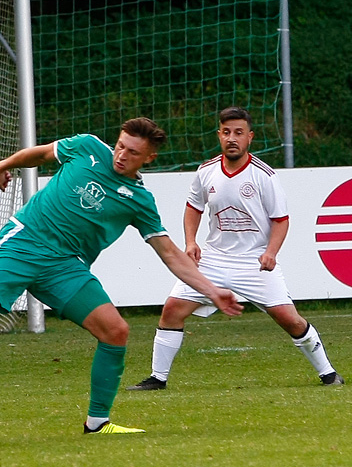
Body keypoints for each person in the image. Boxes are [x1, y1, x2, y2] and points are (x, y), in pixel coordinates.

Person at [0, 118, 243, 434]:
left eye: (132, 152)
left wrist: (211, 291)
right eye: (121, 145)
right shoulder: (87, 147)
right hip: (23, 243)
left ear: (149, 158)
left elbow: (170, 254)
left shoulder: (139, 199)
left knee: (116, 331)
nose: (122, 154)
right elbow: (42, 153)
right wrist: (4, 164)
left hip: (66, 265)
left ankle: (98, 423)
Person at [128, 107, 343, 391]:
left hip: (254, 263)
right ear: (219, 135)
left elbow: (281, 221)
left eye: (239, 133)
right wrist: (191, 242)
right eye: (226, 132)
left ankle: (328, 373)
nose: (232, 138)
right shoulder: (206, 172)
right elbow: (193, 208)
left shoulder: (264, 175)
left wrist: (271, 253)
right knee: (172, 309)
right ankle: (158, 378)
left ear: (249, 137)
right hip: (213, 261)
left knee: (289, 319)